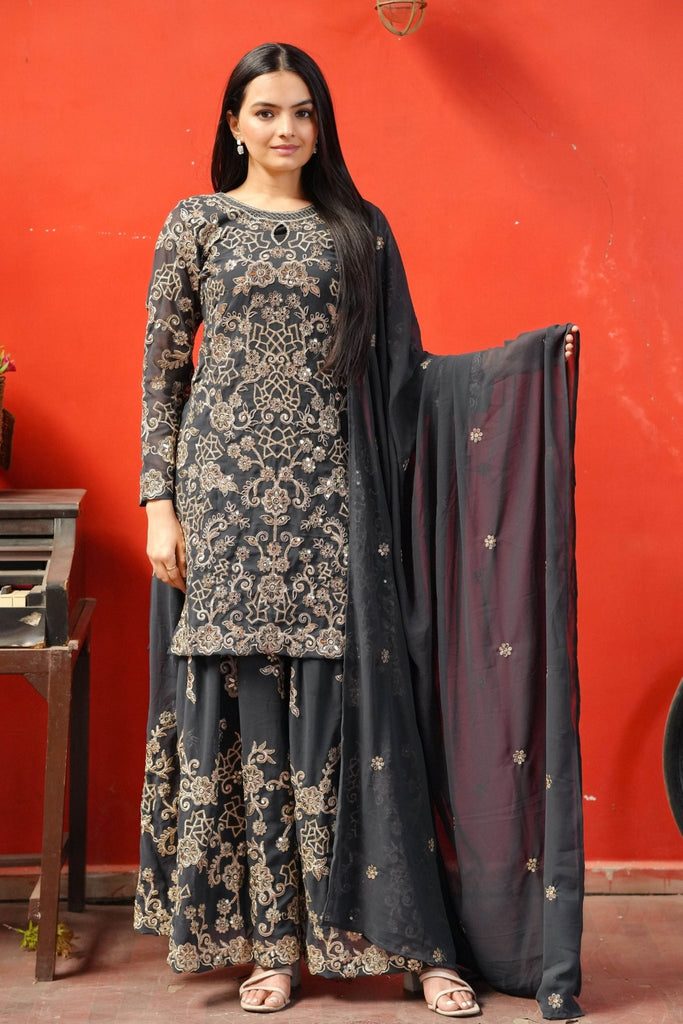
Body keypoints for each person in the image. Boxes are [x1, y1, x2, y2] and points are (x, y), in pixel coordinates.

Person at [136, 42, 583, 1020]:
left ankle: (416, 944)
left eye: (302, 111)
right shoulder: (196, 223)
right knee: (253, 721)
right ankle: (273, 950)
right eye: (265, 111)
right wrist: (159, 502)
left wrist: (516, 370)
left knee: (363, 726)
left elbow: (405, 377)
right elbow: (162, 371)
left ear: (321, 124)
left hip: (336, 506)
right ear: (233, 123)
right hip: (222, 509)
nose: (285, 128)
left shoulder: (358, 231)